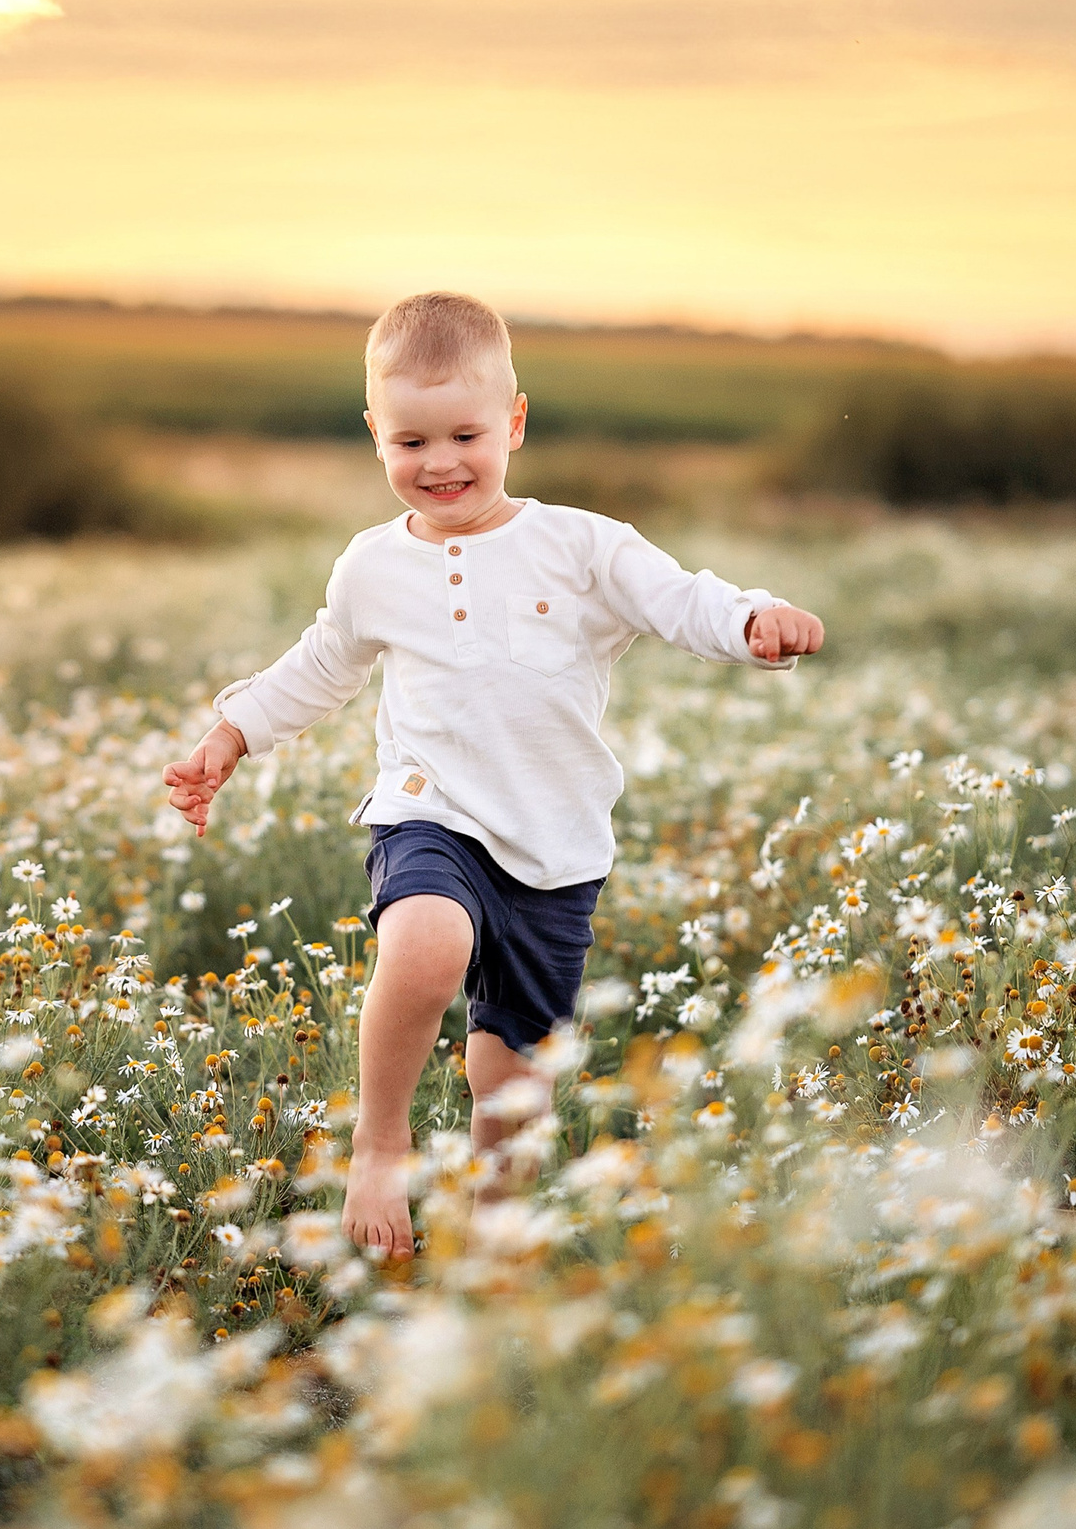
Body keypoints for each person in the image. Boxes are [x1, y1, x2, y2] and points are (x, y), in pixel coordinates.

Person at [160, 290, 824, 1257]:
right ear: (375, 437)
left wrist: (754, 620)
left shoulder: (582, 545)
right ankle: (380, 1144)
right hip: (431, 812)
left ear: (514, 421)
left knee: (510, 1087)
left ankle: (493, 1243)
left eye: (464, 434)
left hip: (556, 848)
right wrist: (229, 735)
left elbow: (684, 601)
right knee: (424, 946)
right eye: (409, 443)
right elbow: (319, 665)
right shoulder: (372, 567)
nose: (439, 464)